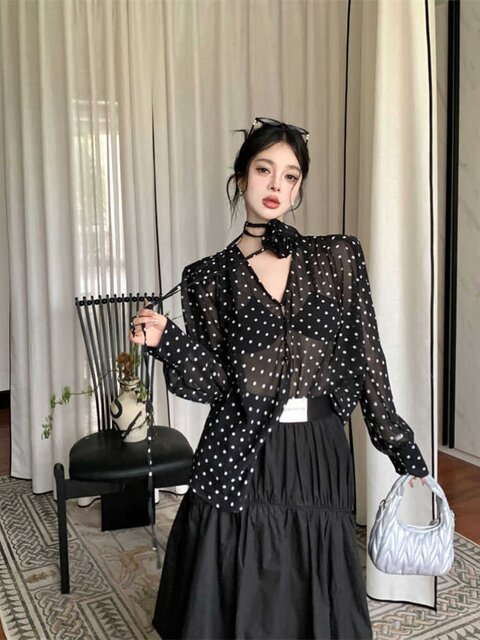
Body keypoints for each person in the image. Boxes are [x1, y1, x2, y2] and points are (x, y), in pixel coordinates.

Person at [129, 117, 429, 640]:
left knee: (312, 580)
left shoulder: (337, 256)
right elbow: (212, 384)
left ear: (298, 188)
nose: (276, 185)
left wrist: (400, 447)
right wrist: (166, 341)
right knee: (241, 582)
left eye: (290, 176)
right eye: (264, 170)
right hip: (242, 446)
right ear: (241, 177)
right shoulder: (206, 277)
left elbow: (367, 357)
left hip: (316, 448)